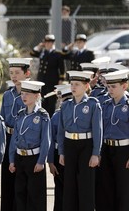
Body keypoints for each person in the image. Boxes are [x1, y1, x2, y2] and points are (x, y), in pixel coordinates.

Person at [57, 70, 102, 211]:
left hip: (86, 146)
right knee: (69, 184)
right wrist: (61, 152)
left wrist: (96, 154)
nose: (73, 87)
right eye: (71, 84)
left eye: (77, 84)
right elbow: (60, 131)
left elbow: (98, 131)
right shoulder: (65, 106)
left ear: (86, 86)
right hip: (70, 145)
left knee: (86, 185)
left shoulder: (93, 104)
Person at [9, 80, 50, 211]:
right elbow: (14, 139)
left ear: (37, 95)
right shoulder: (20, 114)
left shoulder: (43, 115)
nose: (24, 97)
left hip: (35, 159)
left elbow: (46, 140)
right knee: (20, 194)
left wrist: (41, 161)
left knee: (35, 196)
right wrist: (11, 160)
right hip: (20, 158)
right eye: (22, 94)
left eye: (27, 94)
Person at [0, 58, 31, 211]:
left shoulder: (32, 95)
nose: (14, 76)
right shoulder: (7, 95)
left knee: (20, 180)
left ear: (27, 73)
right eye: (11, 72)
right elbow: (2, 119)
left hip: (22, 139)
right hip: (8, 137)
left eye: (17, 73)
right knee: (7, 179)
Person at [96, 69, 129, 211]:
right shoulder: (105, 105)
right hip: (107, 149)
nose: (110, 90)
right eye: (108, 86)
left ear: (124, 86)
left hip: (124, 151)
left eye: (114, 86)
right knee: (106, 188)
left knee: (123, 189)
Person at [47, 84, 72, 211]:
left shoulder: (57, 115)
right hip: (61, 154)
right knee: (63, 188)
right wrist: (51, 161)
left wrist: (51, 162)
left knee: (63, 188)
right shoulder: (56, 116)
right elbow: (50, 140)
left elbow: (50, 142)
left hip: (65, 153)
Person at [30, 34, 65, 117]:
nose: (48, 44)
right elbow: (32, 53)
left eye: (50, 42)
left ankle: (50, 119)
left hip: (52, 81)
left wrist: (60, 82)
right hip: (42, 80)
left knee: (51, 102)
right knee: (42, 100)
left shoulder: (57, 54)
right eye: (46, 42)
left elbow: (62, 69)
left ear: (53, 43)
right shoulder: (42, 52)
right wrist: (39, 46)